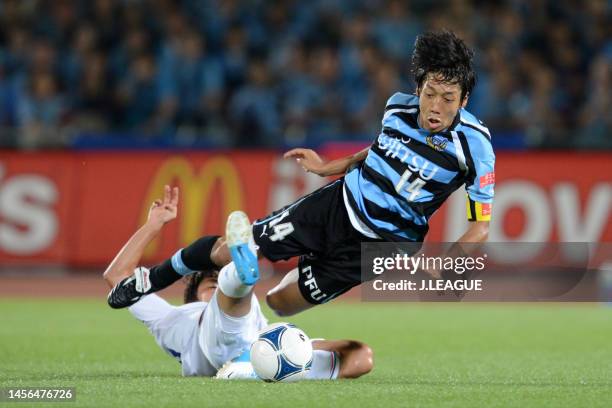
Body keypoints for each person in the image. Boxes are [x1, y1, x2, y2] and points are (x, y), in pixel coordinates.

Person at [107, 30, 494, 316]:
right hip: (337, 205)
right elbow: (377, 153)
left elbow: (480, 225)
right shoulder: (396, 108)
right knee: (228, 251)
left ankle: (235, 317)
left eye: (447, 99)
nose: (435, 106)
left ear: (464, 100)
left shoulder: (475, 145)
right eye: (429, 93)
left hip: (382, 246)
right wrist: (329, 166)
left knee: (280, 304)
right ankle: (148, 280)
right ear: (419, 87)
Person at [103, 186, 373, 379]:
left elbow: (360, 357)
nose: (212, 280)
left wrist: (302, 347)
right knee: (232, 300)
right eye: (210, 280)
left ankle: (251, 366)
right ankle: (240, 273)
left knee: (361, 358)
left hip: (266, 355)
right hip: (229, 344)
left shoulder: (269, 336)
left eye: (215, 277)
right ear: (192, 295)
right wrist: (153, 224)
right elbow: (117, 279)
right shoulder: (174, 319)